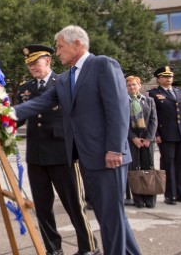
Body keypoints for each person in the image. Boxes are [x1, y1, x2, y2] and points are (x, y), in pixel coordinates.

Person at [12, 26, 141, 255]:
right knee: (109, 215)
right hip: (86, 157)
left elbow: (118, 108)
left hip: (108, 156)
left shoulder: (102, 65)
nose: (58, 52)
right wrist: (3, 114)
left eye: (61, 47)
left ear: (78, 44)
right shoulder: (65, 78)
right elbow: (38, 104)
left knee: (111, 216)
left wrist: (115, 148)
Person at [16, 44, 99, 255]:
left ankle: (88, 247)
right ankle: (53, 249)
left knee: (74, 205)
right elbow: (18, 119)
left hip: (63, 153)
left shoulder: (65, 82)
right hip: (36, 156)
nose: (32, 67)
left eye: (36, 62)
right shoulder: (25, 88)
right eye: (29, 64)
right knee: (43, 208)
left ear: (48, 60)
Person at [148, 66, 181, 205]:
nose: (168, 78)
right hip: (166, 134)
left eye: (170, 76)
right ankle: (170, 194)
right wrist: (156, 133)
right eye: (165, 76)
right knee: (168, 164)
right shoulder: (153, 93)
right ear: (158, 79)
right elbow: (153, 116)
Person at [124, 76, 159, 208]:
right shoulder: (123, 101)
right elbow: (124, 122)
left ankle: (150, 200)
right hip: (132, 140)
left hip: (147, 140)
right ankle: (138, 199)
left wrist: (149, 138)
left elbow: (153, 120)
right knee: (134, 170)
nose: (132, 87)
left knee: (148, 169)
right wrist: (133, 138)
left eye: (134, 85)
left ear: (139, 85)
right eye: (129, 85)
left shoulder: (149, 101)